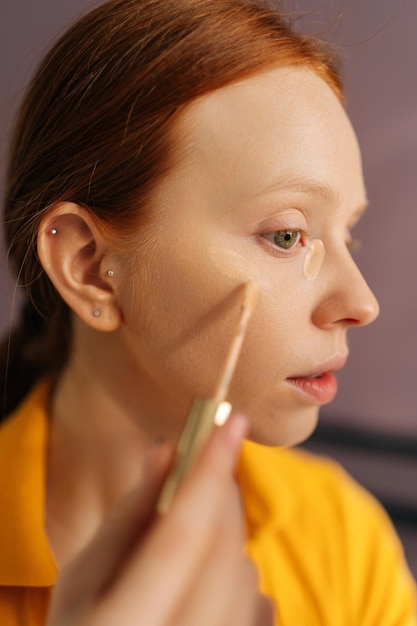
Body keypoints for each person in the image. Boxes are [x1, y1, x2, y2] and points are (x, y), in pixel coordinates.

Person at [0, 0, 416, 624]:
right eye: (286, 235)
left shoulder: (343, 539)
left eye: (347, 235)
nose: (361, 305)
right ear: (89, 267)